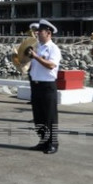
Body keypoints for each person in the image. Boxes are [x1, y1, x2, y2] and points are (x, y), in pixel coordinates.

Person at [28, 19, 61, 154]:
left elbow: (51, 65)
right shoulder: (38, 47)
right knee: (38, 116)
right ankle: (43, 141)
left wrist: (35, 56)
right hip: (36, 85)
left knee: (49, 116)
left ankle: (53, 143)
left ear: (48, 33)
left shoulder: (53, 48)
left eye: (40, 31)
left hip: (47, 85)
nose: (37, 33)